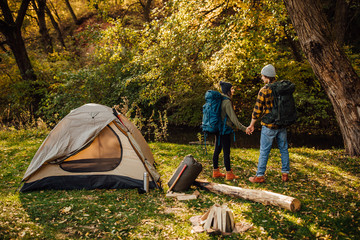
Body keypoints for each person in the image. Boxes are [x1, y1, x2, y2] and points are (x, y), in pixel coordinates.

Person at [246, 64, 290, 183]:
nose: (261, 78)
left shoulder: (264, 90)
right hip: (282, 125)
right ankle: (285, 174)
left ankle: (260, 175)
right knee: (284, 149)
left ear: (266, 77)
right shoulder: (282, 89)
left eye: (262, 76)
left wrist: (252, 124)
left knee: (264, 151)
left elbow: (257, 110)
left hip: (269, 126)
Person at [212, 81, 247, 180]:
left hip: (217, 129)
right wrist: (244, 129)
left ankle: (215, 172)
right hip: (225, 130)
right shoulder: (227, 102)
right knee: (226, 152)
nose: (233, 90)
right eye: (232, 89)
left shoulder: (219, 100)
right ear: (227, 90)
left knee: (217, 150)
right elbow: (233, 119)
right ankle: (228, 174)